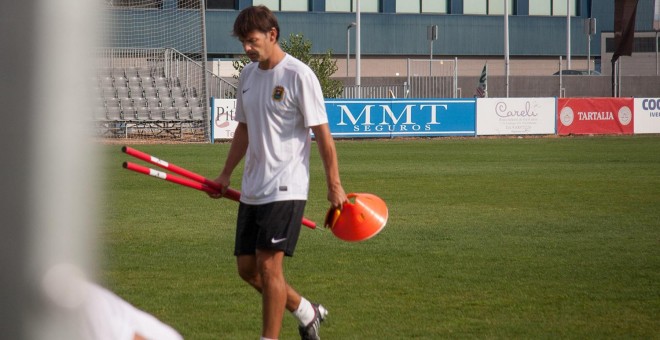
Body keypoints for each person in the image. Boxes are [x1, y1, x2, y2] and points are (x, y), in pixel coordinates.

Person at [208, 5, 347, 340]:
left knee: (270, 266)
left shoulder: (299, 75)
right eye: (242, 41)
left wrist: (334, 186)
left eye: (251, 40)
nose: (246, 48)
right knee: (248, 269)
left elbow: (324, 137)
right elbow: (243, 129)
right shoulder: (248, 76)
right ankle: (305, 310)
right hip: (253, 185)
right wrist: (226, 174)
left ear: (272, 35)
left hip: (287, 185)